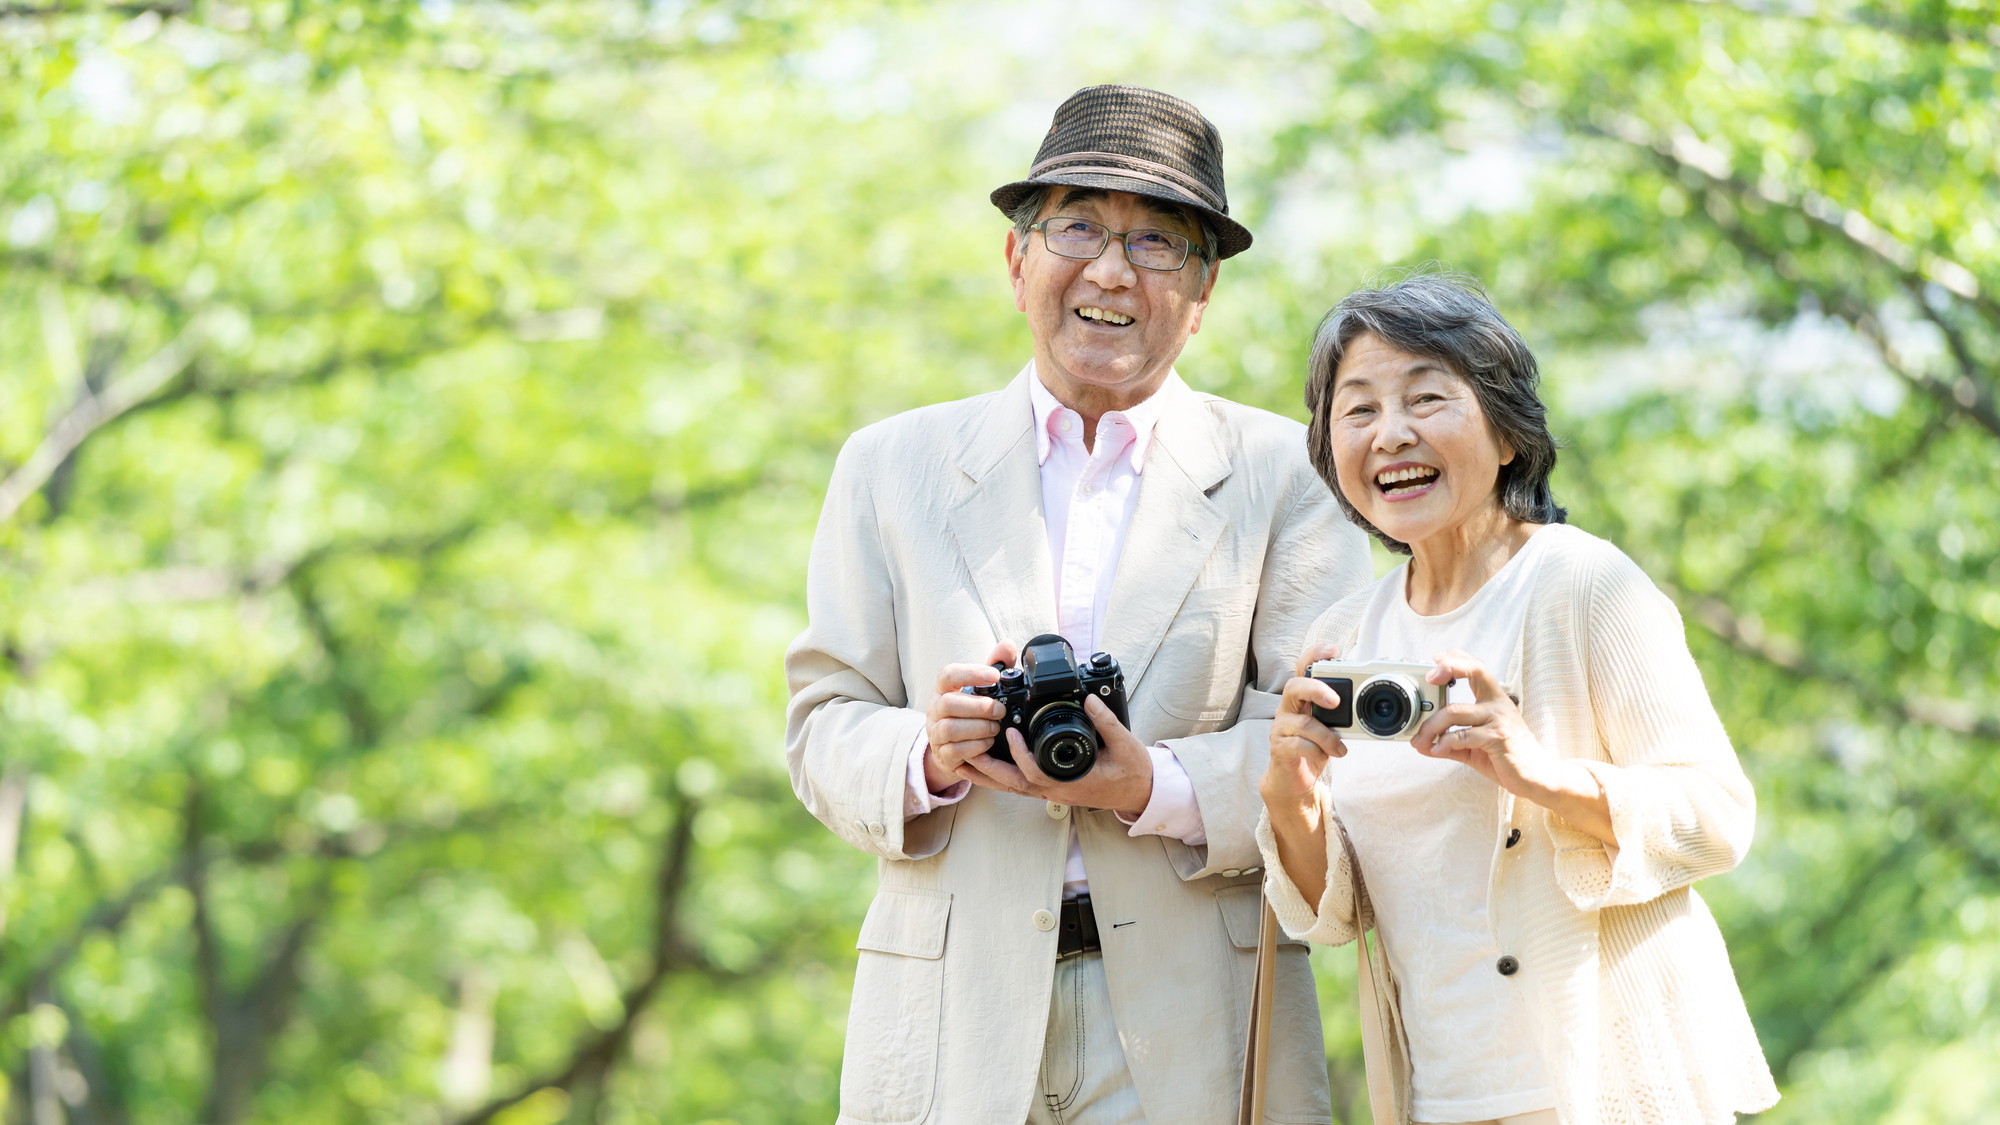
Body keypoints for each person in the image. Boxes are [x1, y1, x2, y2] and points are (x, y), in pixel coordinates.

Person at [786, 85, 1373, 1125]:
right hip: (945, 1013)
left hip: (1201, 1012)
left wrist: (1152, 783)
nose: (1110, 269)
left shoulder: (1287, 473)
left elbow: (1331, 743)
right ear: (1017, 261)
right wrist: (928, 751)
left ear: (1203, 291)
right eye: (1078, 228)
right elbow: (822, 726)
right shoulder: (891, 466)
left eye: (1156, 243)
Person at [1257, 273, 1780, 1125]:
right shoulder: (1345, 634)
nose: (1391, 433)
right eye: (1357, 411)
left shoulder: (1583, 583)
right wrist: (1290, 793)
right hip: (1440, 1097)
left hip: (1609, 1088)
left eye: (1426, 398)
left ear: (1506, 431)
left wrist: (1538, 773)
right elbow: (1334, 915)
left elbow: (1719, 814)